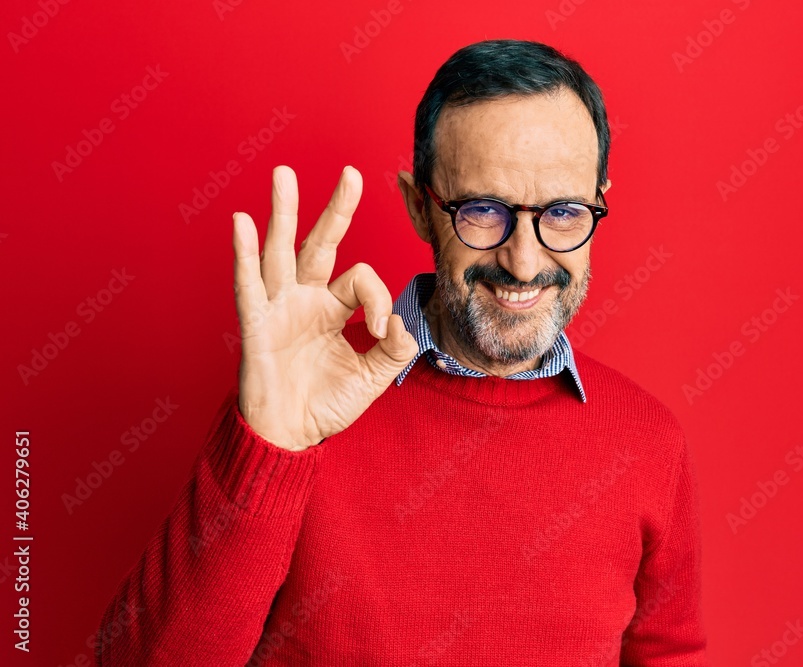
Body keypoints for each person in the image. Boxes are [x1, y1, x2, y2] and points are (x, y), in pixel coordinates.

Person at [96, 39, 708, 665]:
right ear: (420, 207)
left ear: (599, 199)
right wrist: (267, 449)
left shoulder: (650, 442)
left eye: (564, 212)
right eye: (482, 210)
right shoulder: (305, 408)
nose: (524, 262)